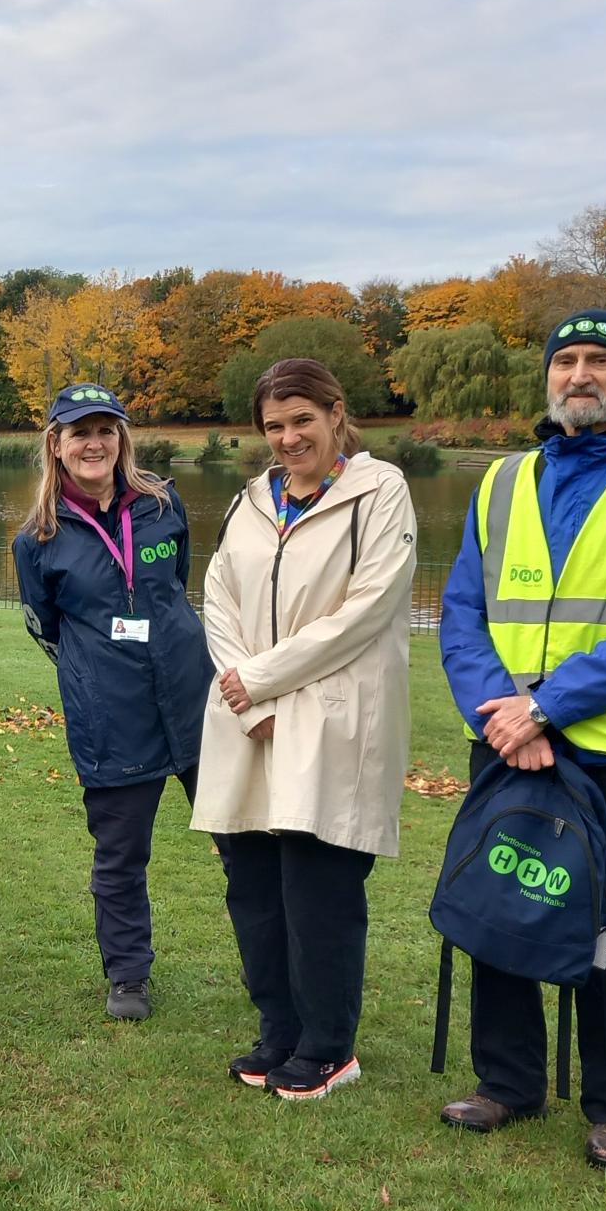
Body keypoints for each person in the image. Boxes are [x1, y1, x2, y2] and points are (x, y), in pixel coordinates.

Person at [436, 311, 606, 1173]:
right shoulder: (502, 482)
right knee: (503, 903)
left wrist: (546, 709)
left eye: (600, 361)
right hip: (507, 740)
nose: (580, 376)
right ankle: (508, 1083)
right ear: (548, 379)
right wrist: (502, 714)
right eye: (566, 362)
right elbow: (461, 616)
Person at [191, 358, 417, 1100]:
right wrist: (247, 698)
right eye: (274, 426)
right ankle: (278, 1031)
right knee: (253, 884)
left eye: (301, 421)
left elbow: (365, 613)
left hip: (330, 721)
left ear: (335, 413)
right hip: (247, 722)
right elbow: (217, 596)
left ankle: (328, 1045)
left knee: (316, 887)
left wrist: (263, 679)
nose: (289, 439)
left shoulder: (379, 495)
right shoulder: (250, 502)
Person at [13, 382, 213, 1022]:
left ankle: (276, 965)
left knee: (243, 838)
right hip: (112, 715)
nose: (93, 442)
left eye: (105, 429)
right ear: (57, 445)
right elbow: (47, 622)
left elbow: (174, 584)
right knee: (121, 854)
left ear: (122, 437)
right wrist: (95, 667)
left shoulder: (162, 504)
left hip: (191, 699)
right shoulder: (38, 537)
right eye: (79, 432)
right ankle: (127, 975)